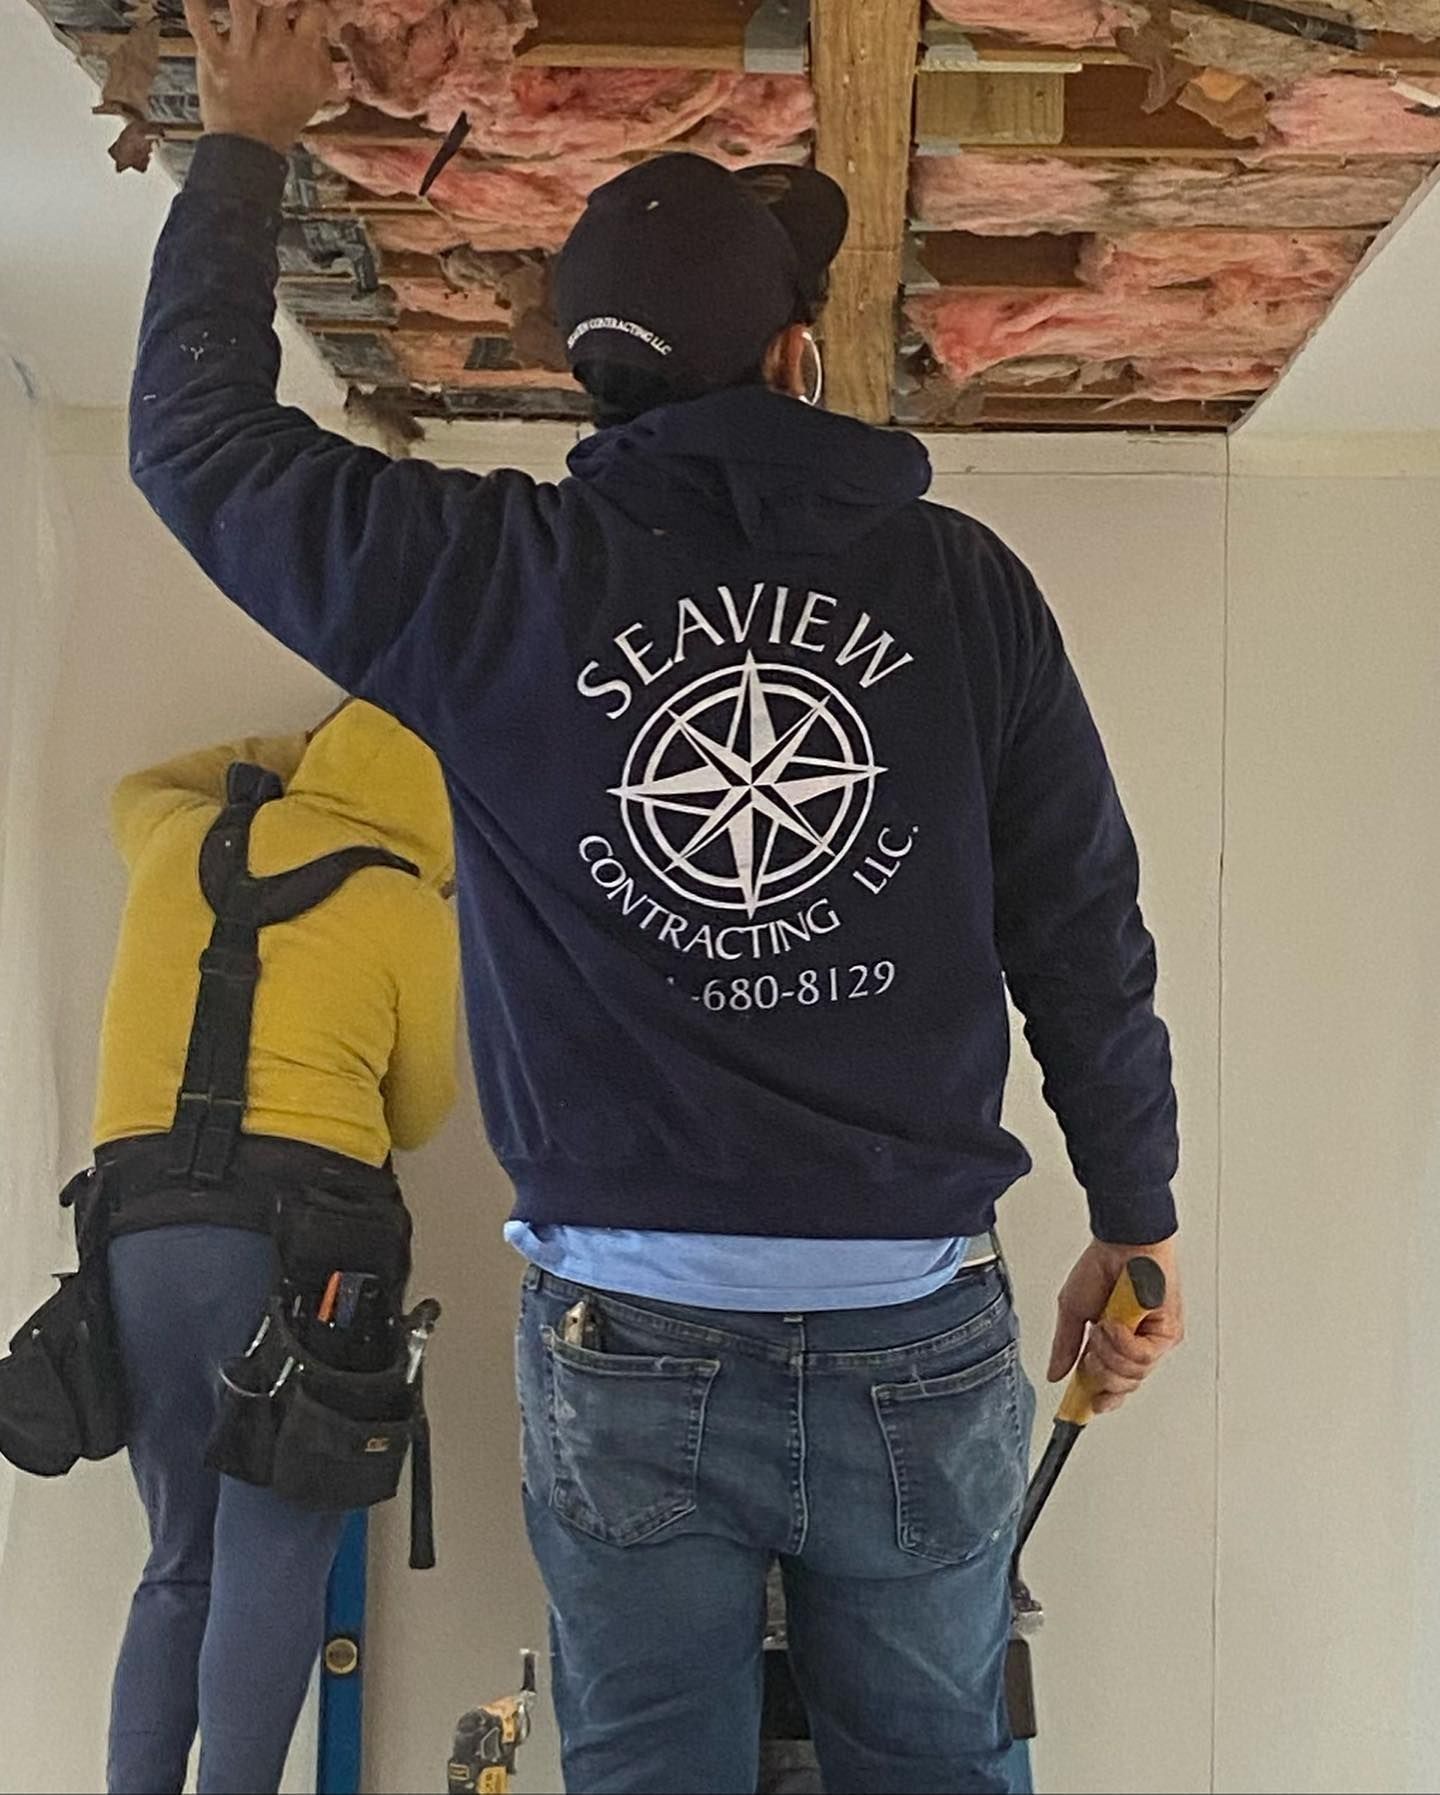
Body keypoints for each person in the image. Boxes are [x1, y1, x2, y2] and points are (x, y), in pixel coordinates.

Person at [126, 5, 1185, 1790]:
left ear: (583, 378)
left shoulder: (489, 580)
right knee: (939, 1756)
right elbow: (1079, 916)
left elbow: (199, 445)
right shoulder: (958, 583)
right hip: (913, 1327)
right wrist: (1134, 1212)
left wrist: (246, 133)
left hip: (622, 1344)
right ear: (791, 361)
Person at [97, 698, 458, 1794]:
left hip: (139, 1231)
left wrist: (289, 756)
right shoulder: (402, 900)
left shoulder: (175, 843)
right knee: (273, 1562)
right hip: (307, 1257)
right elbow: (419, 1113)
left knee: (178, 1561)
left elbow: (137, 785)